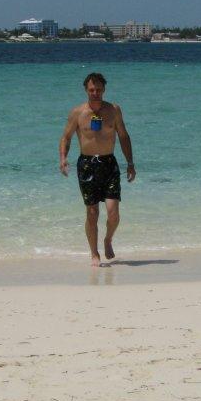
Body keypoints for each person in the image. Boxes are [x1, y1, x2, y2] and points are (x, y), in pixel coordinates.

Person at [59, 72, 136, 267]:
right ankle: (94, 254)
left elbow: (124, 136)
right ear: (86, 90)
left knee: (113, 213)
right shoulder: (78, 113)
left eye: (99, 89)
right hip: (87, 165)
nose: (95, 93)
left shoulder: (114, 110)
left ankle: (108, 239)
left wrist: (130, 163)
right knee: (92, 212)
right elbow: (66, 137)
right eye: (92, 90)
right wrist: (63, 158)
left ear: (104, 90)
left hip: (109, 163)